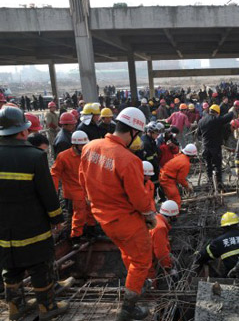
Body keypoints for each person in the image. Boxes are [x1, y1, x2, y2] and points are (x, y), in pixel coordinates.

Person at [79, 107, 155, 321]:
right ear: (133, 132)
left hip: (103, 218)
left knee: (127, 252)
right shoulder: (128, 159)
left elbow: (82, 179)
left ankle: (134, 284)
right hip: (126, 220)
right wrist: (150, 215)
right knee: (141, 260)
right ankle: (128, 310)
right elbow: (139, 198)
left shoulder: (90, 147)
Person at [0, 106, 69, 320]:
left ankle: (15, 307)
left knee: (10, 265)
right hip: (32, 225)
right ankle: (47, 307)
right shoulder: (35, 156)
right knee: (40, 265)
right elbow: (48, 194)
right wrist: (57, 218)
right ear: (23, 132)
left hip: (3, 227)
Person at [51, 130, 96, 249]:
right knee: (79, 214)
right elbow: (55, 173)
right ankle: (75, 237)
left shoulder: (88, 154)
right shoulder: (64, 156)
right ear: (74, 145)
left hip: (87, 189)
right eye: (82, 145)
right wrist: (53, 190)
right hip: (73, 190)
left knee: (91, 211)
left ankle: (90, 231)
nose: (84, 147)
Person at [196, 212, 239, 278]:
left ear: (223, 226)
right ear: (237, 224)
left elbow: (203, 256)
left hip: (233, 276)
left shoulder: (218, 242)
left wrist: (197, 255)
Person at [197, 104, 234, 190]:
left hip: (205, 147)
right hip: (215, 148)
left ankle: (210, 183)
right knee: (217, 166)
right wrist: (231, 111)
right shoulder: (216, 119)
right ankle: (219, 184)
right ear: (217, 113)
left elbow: (199, 134)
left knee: (208, 166)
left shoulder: (201, 121)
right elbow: (228, 117)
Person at [148, 200, 178, 287]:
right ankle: (149, 299)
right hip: (146, 260)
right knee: (149, 284)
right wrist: (168, 268)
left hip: (144, 254)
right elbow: (161, 253)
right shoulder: (160, 227)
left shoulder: (156, 219)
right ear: (171, 216)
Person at [159, 144, 197, 209]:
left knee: (172, 197)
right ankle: (174, 214)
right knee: (176, 199)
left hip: (165, 175)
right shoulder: (186, 163)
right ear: (193, 155)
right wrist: (187, 186)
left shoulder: (180, 156)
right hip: (167, 180)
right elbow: (180, 179)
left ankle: (172, 209)